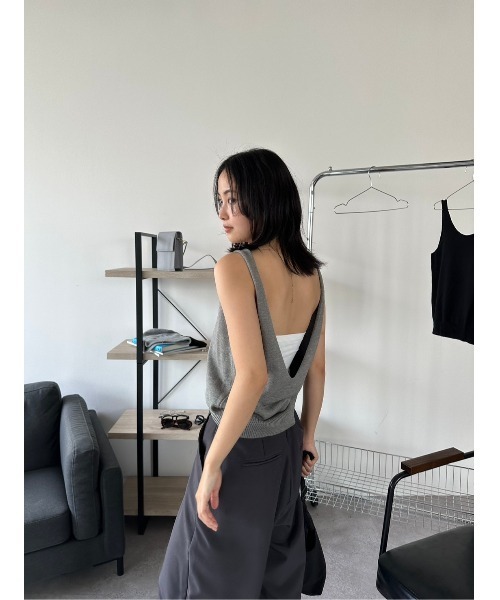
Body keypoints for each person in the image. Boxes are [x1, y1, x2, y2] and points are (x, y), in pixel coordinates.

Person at [158, 148, 326, 599]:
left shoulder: (235, 267)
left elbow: (252, 376)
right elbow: (317, 367)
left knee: (207, 573)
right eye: (220, 200)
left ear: (265, 197)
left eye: (233, 200)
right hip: (286, 441)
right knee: (274, 568)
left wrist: (213, 464)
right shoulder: (311, 274)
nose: (222, 214)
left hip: (236, 444)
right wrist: (308, 436)